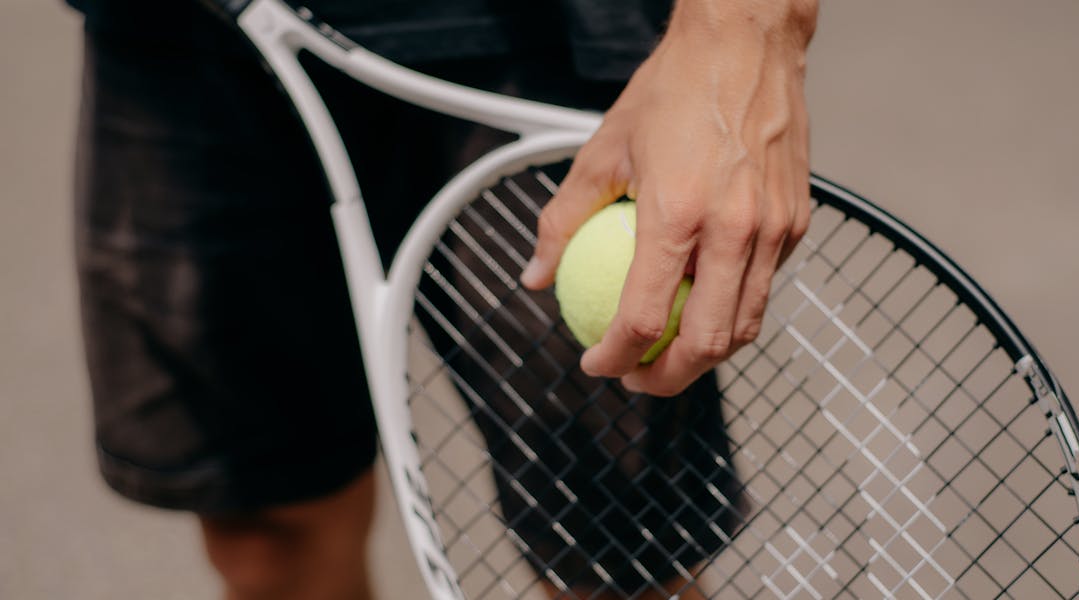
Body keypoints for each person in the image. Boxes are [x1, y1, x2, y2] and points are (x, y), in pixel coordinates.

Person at [67, 0, 817, 598]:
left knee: (616, 560)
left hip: (542, 35)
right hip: (184, 40)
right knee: (267, 533)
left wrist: (747, 29)